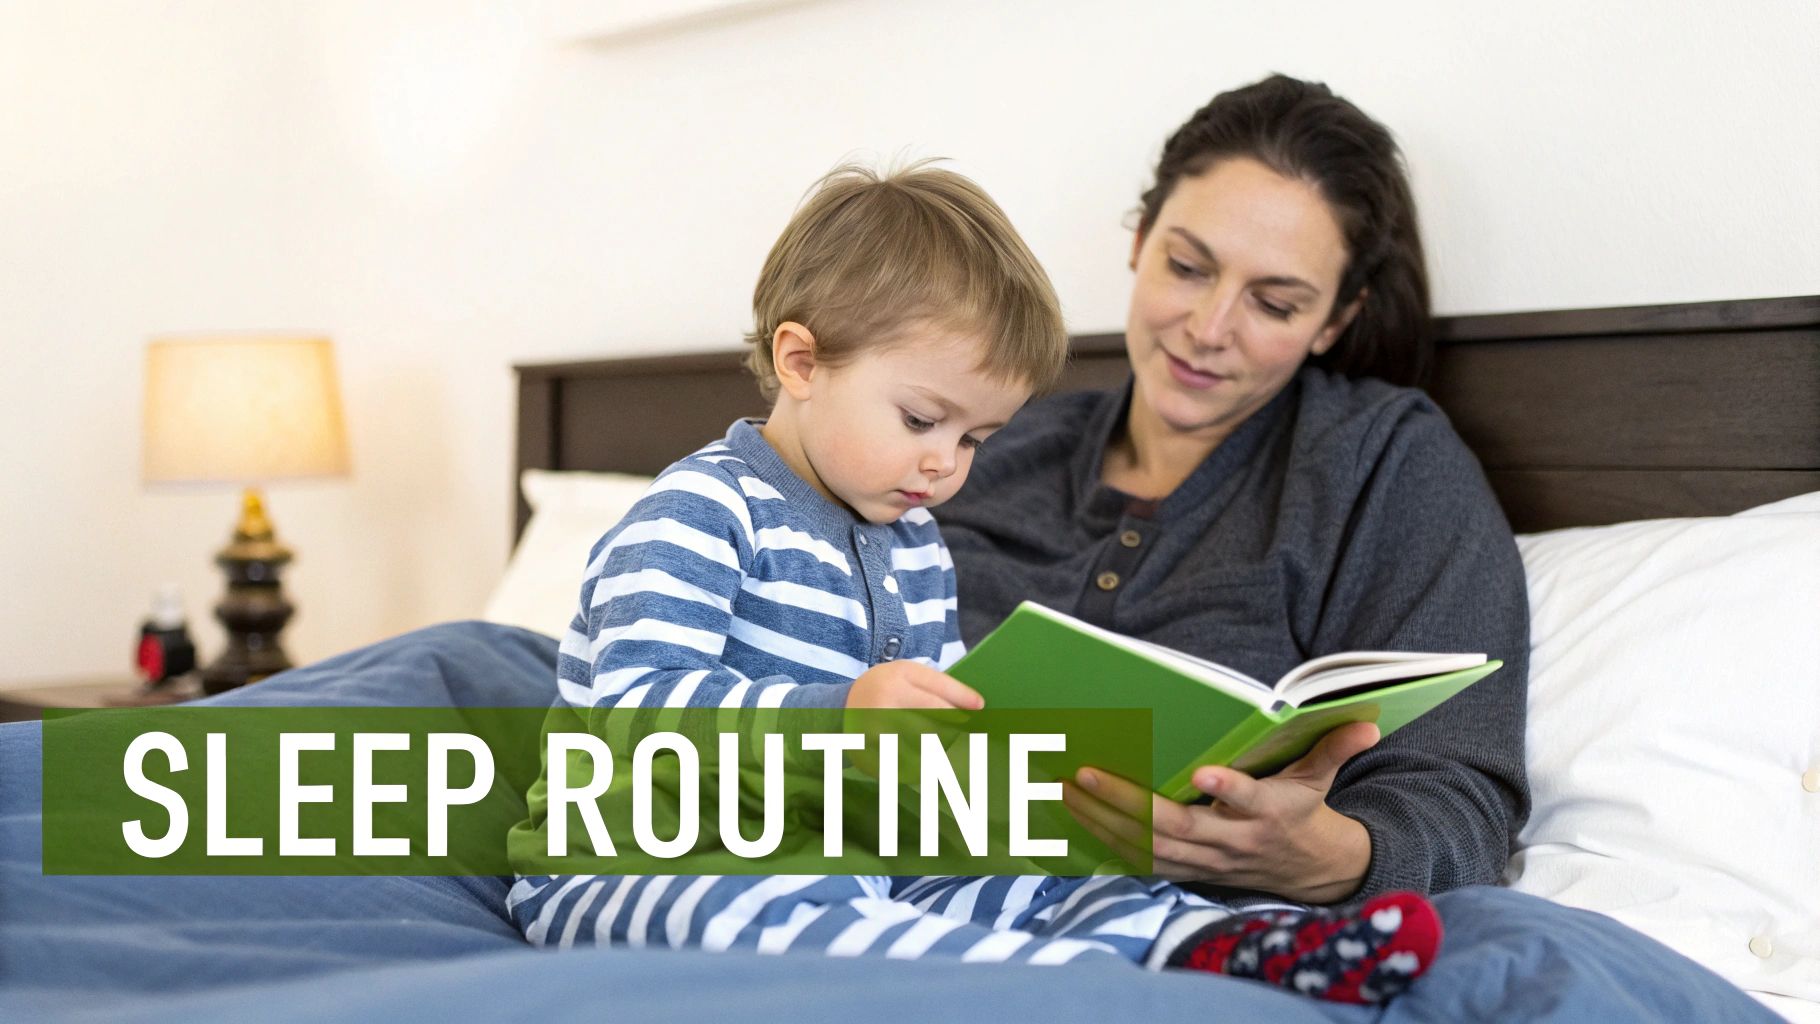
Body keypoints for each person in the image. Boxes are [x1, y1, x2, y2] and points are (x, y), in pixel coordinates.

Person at [508, 152, 1450, 1006]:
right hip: (636, 856)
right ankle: (1058, 984)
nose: (944, 465)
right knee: (762, 908)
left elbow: (941, 737)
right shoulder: (701, 510)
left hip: (852, 849)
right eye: (922, 420)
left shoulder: (916, 544)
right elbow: (633, 709)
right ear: (801, 361)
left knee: (1037, 876)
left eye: (975, 440)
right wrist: (839, 714)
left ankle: (1221, 945)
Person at [937, 74, 1531, 911]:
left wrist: (1325, 858)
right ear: (1140, 240)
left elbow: (1461, 797)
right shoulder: (978, 442)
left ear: (1333, 321)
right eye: (1187, 267)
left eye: (1275, 304)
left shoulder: (1384, 462)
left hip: (1174, 934)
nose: (1209, 329)